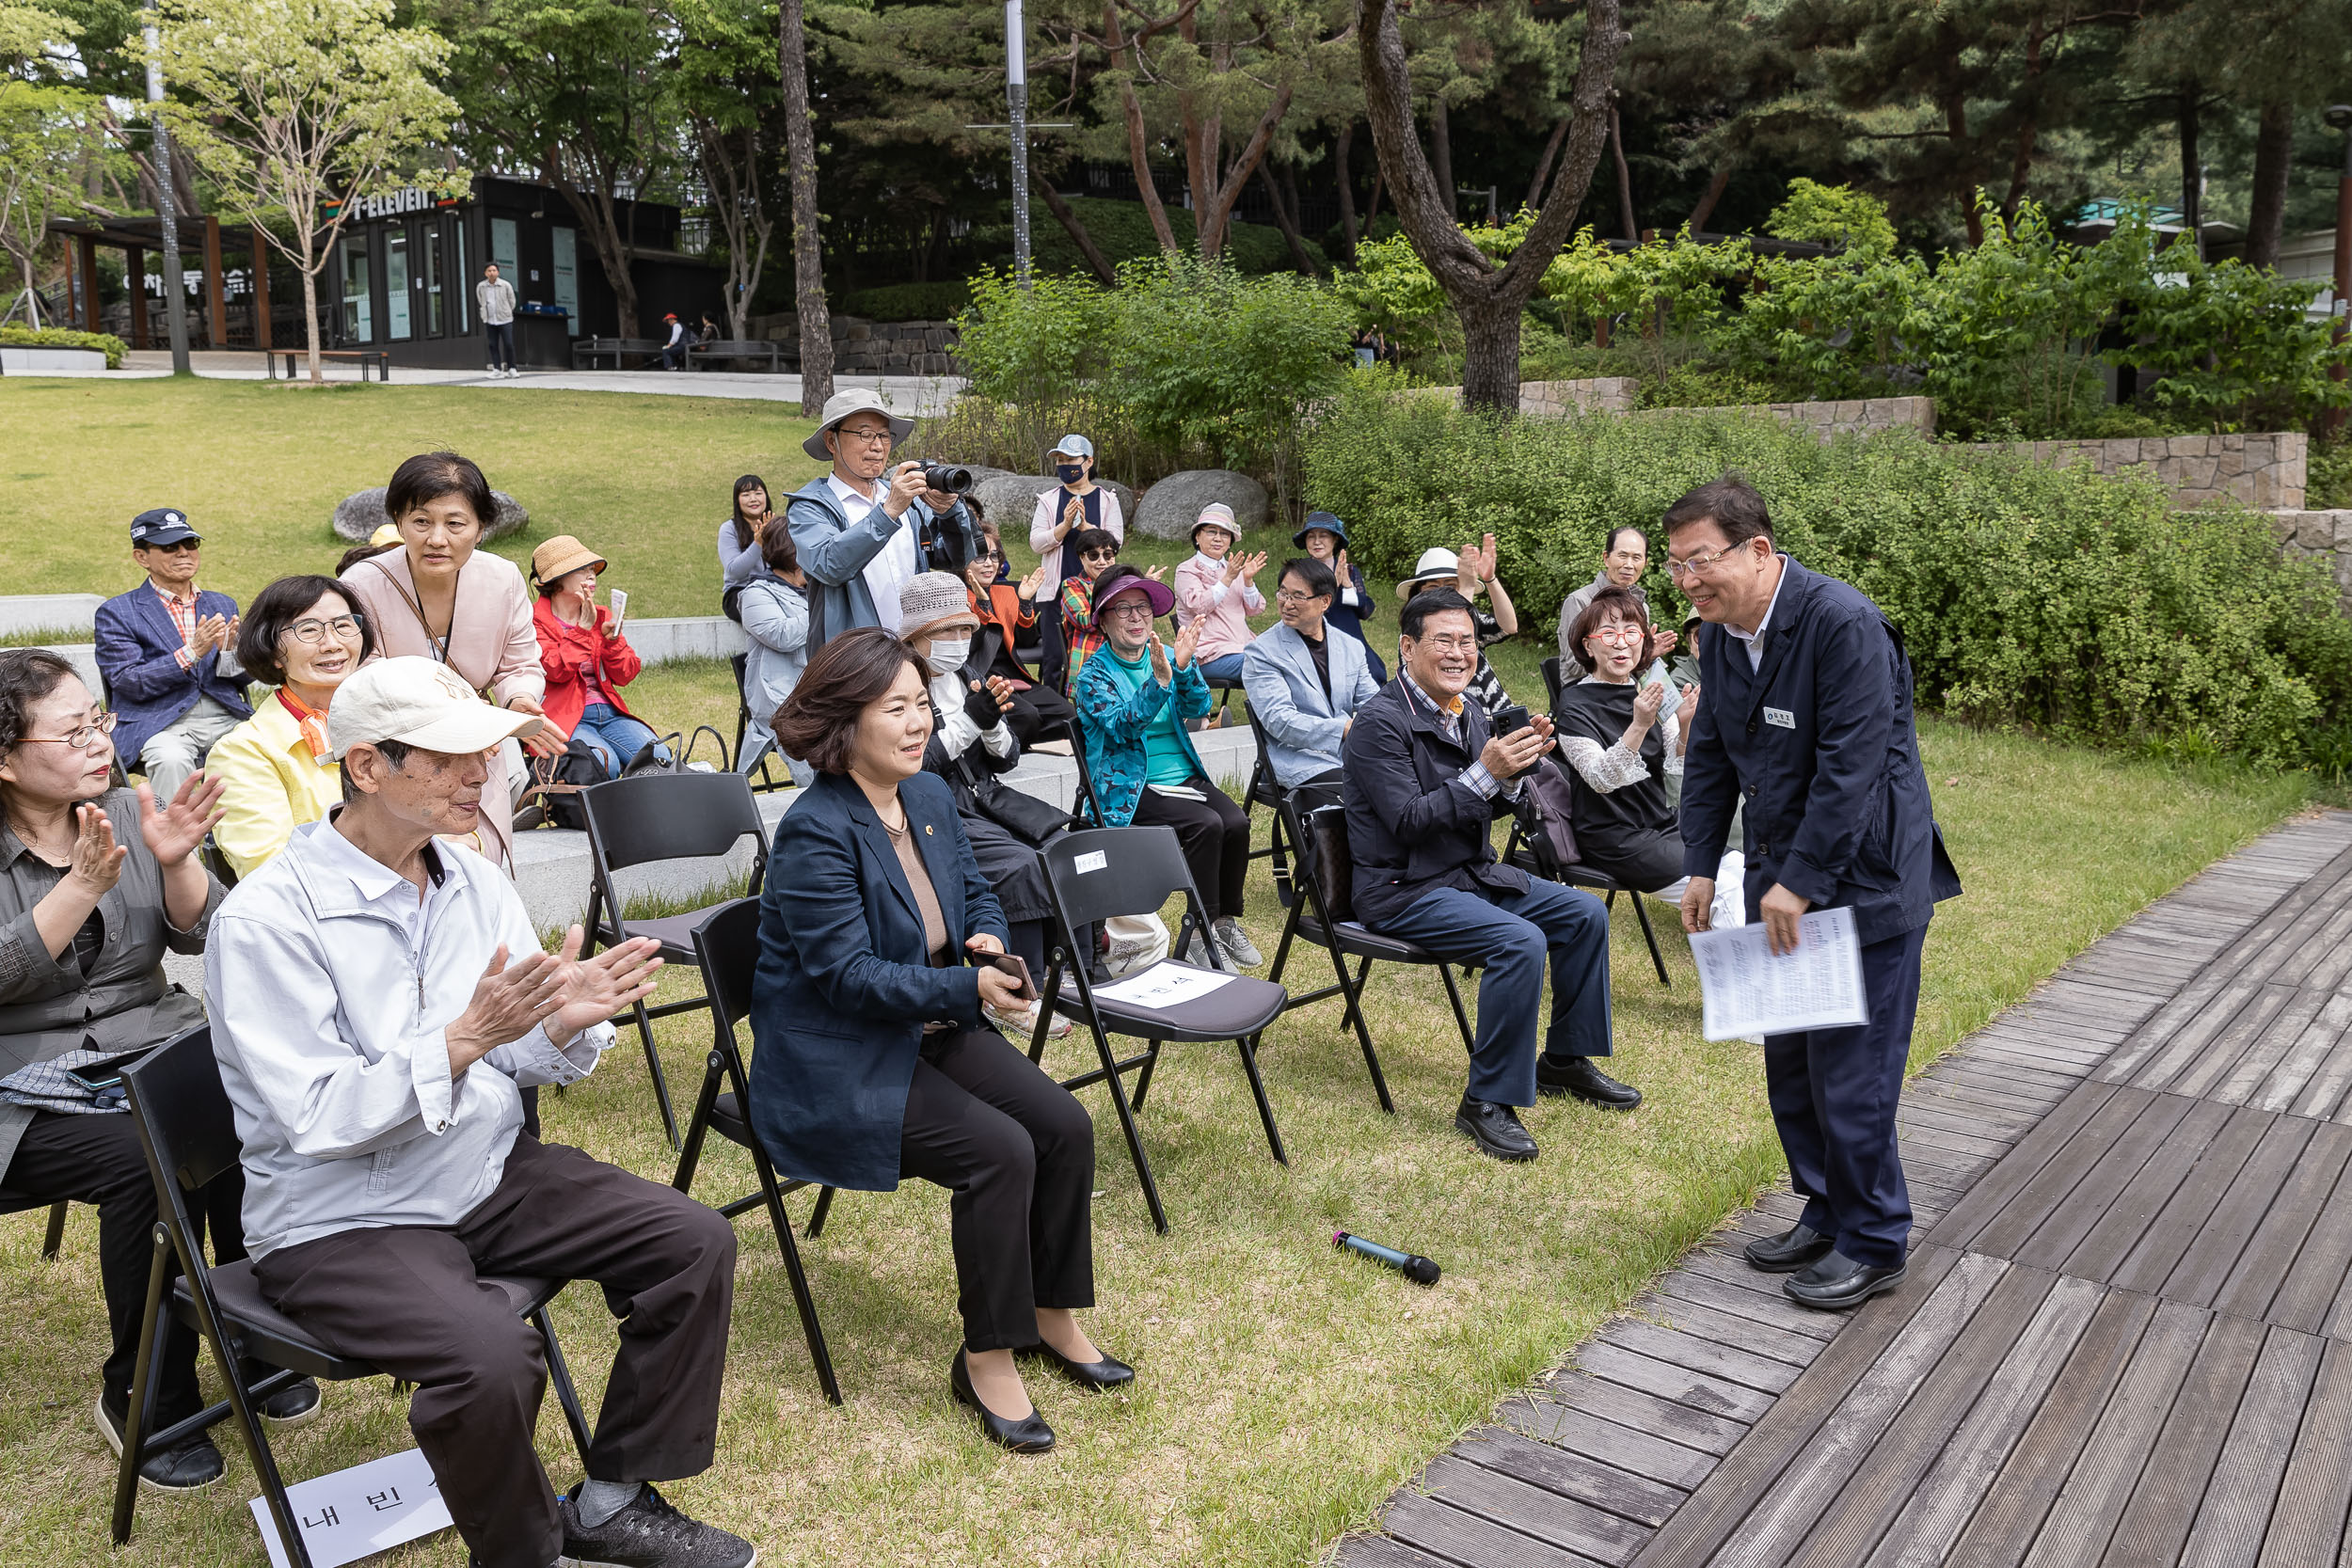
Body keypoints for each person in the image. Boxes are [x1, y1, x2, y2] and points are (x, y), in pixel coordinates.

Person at [207, 657, 753, 1568]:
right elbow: (315, 1113)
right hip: (340, 1214)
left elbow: (508, 1046)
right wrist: (460, 1041)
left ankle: (613, 1495)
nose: (480, 777)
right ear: (366, 767)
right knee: (489, 1356)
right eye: (451, 758)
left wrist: (560, 1025)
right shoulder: (270, 918)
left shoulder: (470, 878)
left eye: (487, 754)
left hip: (480, 1169)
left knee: (693, 1241)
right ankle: (527, 1552)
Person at [748, 630, 1125, 1455]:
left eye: (924, 704)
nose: (919, 723)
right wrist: (966, 986)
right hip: (840, 1055)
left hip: (927, 1026)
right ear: (846, 721)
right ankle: (985, 1357)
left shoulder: (923, 797)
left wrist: (985, 943)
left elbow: (978, 891)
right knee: (999, 1151)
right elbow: (847, 977)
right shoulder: (816, 829)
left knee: (1063, 1125)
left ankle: (1049, 1316)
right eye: (897, 709)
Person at [0, 650, 319, 1493]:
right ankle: (147, 1391)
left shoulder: (125, 808)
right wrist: (77, 889)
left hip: (149, 1045)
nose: (99, 742)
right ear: (5, 756)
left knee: (252, 1097)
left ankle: (258, 1333)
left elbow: (197, 933)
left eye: (98, 720)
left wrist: (177, 860)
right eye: (72, 732)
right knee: (149, 1153)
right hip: (21, 1092)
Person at [1670, 474, 1962, 1311]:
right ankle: (1826, 1205)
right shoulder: (1722, 635)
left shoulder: (1843, 625)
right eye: (1677, 566)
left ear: (1759, 550)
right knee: (1793, 1065)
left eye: (1702, 561)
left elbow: (1854, 770)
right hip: (1779, 882)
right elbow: (1715, 756)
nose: (1688, 581)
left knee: (1853, 1073)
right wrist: (1700, 863)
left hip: (1862, 881)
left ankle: (1874, 1240)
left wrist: (1800, 880)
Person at [1343, 589, 1634, 1161]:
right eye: (1443, 641)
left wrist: (1516, 771)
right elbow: (1407, 823)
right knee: (1518, 942)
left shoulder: (1469, 712)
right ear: (1407, 647)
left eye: (1468, 642)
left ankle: (1565, 1060)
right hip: (1403, 888)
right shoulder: (1380, 723)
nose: (1459, 653)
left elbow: (1491, 804)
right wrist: (1486, 772)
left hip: (1465, 874)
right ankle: (1486, 1101)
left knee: (1584, 913)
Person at [340, 451, 564, 875]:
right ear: (399, 521)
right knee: (405, 870)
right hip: (396, 758)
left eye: (455, 523)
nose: (437, 538)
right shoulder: (360, 584)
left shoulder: (502, 579)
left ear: (481, 528)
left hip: (480, 747)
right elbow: (362, 676)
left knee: (477, 866)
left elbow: (519, 662)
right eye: (421, 521)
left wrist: (517, 701)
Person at [898, 574, 1074, 1040]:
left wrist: (993, 722)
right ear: (916, 636)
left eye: (964, 631)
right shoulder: (899, 687)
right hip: (935, 810)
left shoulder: (965, 675)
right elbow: (916, 772)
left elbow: (1009, 758)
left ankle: (1076, 963)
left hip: (987, 796)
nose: (959, 642)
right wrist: (969, 721)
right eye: (945, 632)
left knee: (1063, 842)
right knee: (1020, 864)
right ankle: (1020, 991)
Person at [1070, 567, 1260, 969]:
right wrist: (1159, 681)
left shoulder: (1167, 656)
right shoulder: (1092, 676)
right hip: (1130, 787)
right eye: (1124, 609)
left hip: (1182, 777)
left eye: (1143, 608)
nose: (1137, 617)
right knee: (1206, 825)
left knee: (1236, 822)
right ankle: (1200, 932)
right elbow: (1122, 726)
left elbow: (1197, 709)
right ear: (1103, 618)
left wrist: (1186, 668)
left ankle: (1223, 922)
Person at [1551, 588, 1745, 930]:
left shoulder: (1651, 683)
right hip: (1614, 836)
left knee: (1742, 868)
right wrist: (1639, 725)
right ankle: (1748, 975)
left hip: (1664, 822)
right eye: (1609, 634)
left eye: (1631, 633)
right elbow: (1600, 778)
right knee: (1723, 891)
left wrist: (1685, 725)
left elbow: (1676, 761)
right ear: (1587, 645)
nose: (1621, 643)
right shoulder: (1574, 703)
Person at [208, 577, 375, 878]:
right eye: (309, 630)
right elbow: (270, 871)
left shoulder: (391, 722)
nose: (333, 644)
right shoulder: (244, 753)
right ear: (273, 653)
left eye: (344, 625)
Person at [787, 389, 978, 648]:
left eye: (884, 435)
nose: (877, 446)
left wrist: (950, 512)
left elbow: (955, 558)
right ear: (832, 442)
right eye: (865, 434)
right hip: (851, 661)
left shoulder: (904, 498)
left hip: (914, 652)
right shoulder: (810, 506)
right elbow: (829, 565)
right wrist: (888, 512)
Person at [93, 507, 252, 803]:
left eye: (190, 544)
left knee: (267, 745)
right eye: (169, 547)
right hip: (160, 722)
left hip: (225, 716)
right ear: (142, 557)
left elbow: (244, 679)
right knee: (170, 759)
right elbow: (128, 682)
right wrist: (191, 652)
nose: (184, 553)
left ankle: (245, 841)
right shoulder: (117, 613)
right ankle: (171, 846)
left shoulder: (222, 603)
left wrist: (231, 653)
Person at [1241, 557, 1380, 814]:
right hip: (1297, 758)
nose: (1287, 603)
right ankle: (1330, 853)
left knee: (1399, 785)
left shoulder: (1350, 646)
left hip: (1348, 754)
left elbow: (1374, 702)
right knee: (1358, 798)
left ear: (1325, 601)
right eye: (1283, 593)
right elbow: (1279, 721)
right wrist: (1344, 729)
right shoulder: (1262, 652)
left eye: (1298, 596)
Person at [530, 534, 669, 774]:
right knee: (603, 763)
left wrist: (612, 641)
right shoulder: (533, 621)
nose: (591, 575)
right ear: (557, 579)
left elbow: (626, 674)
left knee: (660, 757)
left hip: (609, 712)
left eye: (592, 569)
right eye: (582, 570)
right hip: (566, 716)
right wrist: (583, 630)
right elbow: (554, 670)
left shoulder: (601, 615)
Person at [962, 521, 1075, 747]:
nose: (989, 564)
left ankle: (1025, 745)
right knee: (1026, 716)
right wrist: (982, 609)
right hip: (980, 677)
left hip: (1013, 675)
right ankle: (1002, 753)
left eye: (994, 556)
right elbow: (970, 648)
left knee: (1067, 713)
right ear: (963, 559)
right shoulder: (956, 595)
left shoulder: (1005, 592)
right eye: (980, 557)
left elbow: (1027, 641)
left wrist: (1024, 604)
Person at [1026, 436, 1124, 689]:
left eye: (1070, 460)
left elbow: (1115, 542)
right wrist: (1063, 526)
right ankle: (1053, 718)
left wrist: (1085, 527)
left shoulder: (1106, 500)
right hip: (1055, 594)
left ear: (1088, 462)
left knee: (1095, 656)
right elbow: (1036, 543)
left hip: (1097, 590)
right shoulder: (1049, 500)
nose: (1063, 465)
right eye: (1059, 460)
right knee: (1055, 660)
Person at [1394, 538, 1519, 720]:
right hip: (1456, 720)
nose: (1442, 593)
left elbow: (1509, 626)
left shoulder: (1473, 620)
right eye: (1433, 587)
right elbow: (1453, 623)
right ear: (1418, 593)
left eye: (1450, 586)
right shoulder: (1414, 635)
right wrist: (1466, 587)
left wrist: (1490, 579)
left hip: (1496, 715)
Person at [738, 523, 815, 788]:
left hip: (823, 691)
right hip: (781, 696)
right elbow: (781, 635)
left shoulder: (813, 588)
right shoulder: (756, 594)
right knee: (815, 748)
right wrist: (824, 606)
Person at [1556, 526, 1680, 668]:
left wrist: (1647, 655)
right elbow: (1573, 666)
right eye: (1622, 556)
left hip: (1629, 687)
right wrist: (1635, 658)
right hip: (1586, 688)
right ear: (1606, 558)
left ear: (1645, 563)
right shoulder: (1579, 601)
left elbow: (1638, 671)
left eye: (1636, 558)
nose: (1629, 565)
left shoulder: (1640, 606)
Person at [1172, 504, 1267, 683]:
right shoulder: (1187, 570)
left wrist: (1247, 580)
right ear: (1197, 537)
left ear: (1230, 541)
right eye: (1211, 531)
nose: (1218, 538)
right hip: (1208, 655)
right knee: (1264, 666)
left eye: (1224, 534)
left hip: (1242, 649)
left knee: (1283, 661)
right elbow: (1198, 606)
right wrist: (1228, 578)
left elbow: (1256, 610)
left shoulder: (1232, 568)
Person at [1295, 511, 1385, 682]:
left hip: (1352, 640)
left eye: (1323, 536)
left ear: (1335, 540)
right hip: (1316, 643)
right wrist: (1333, 585)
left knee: (1373, 673)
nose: (1317, 542)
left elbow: (1365, 611)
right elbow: (1302, 612)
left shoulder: (1349, 570)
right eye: (1311, 536)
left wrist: (1348, 585)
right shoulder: (1299, 572)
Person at [717, 473, 773, 620]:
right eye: (746, 494)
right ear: (737, 500)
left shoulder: (777, 526)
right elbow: (734, 571)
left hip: (775, 590)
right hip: (740, 592)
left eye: (758, 493)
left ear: (766, 497)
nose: (753, 499)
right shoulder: (729, 529)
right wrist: (758, 543)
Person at [476, 262, 516, 378]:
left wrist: (506, 311)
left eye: (494, 270)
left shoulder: (505, 285)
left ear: (498, 272)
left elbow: (512, 301)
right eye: (489, 271)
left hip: (505, 319)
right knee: (493, 345)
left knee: (508, 344)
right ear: (485, 273)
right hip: (490, 320)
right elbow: (481, 300)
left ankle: (512, 369)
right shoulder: (481, 286)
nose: (491, 273)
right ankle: (497, 369)